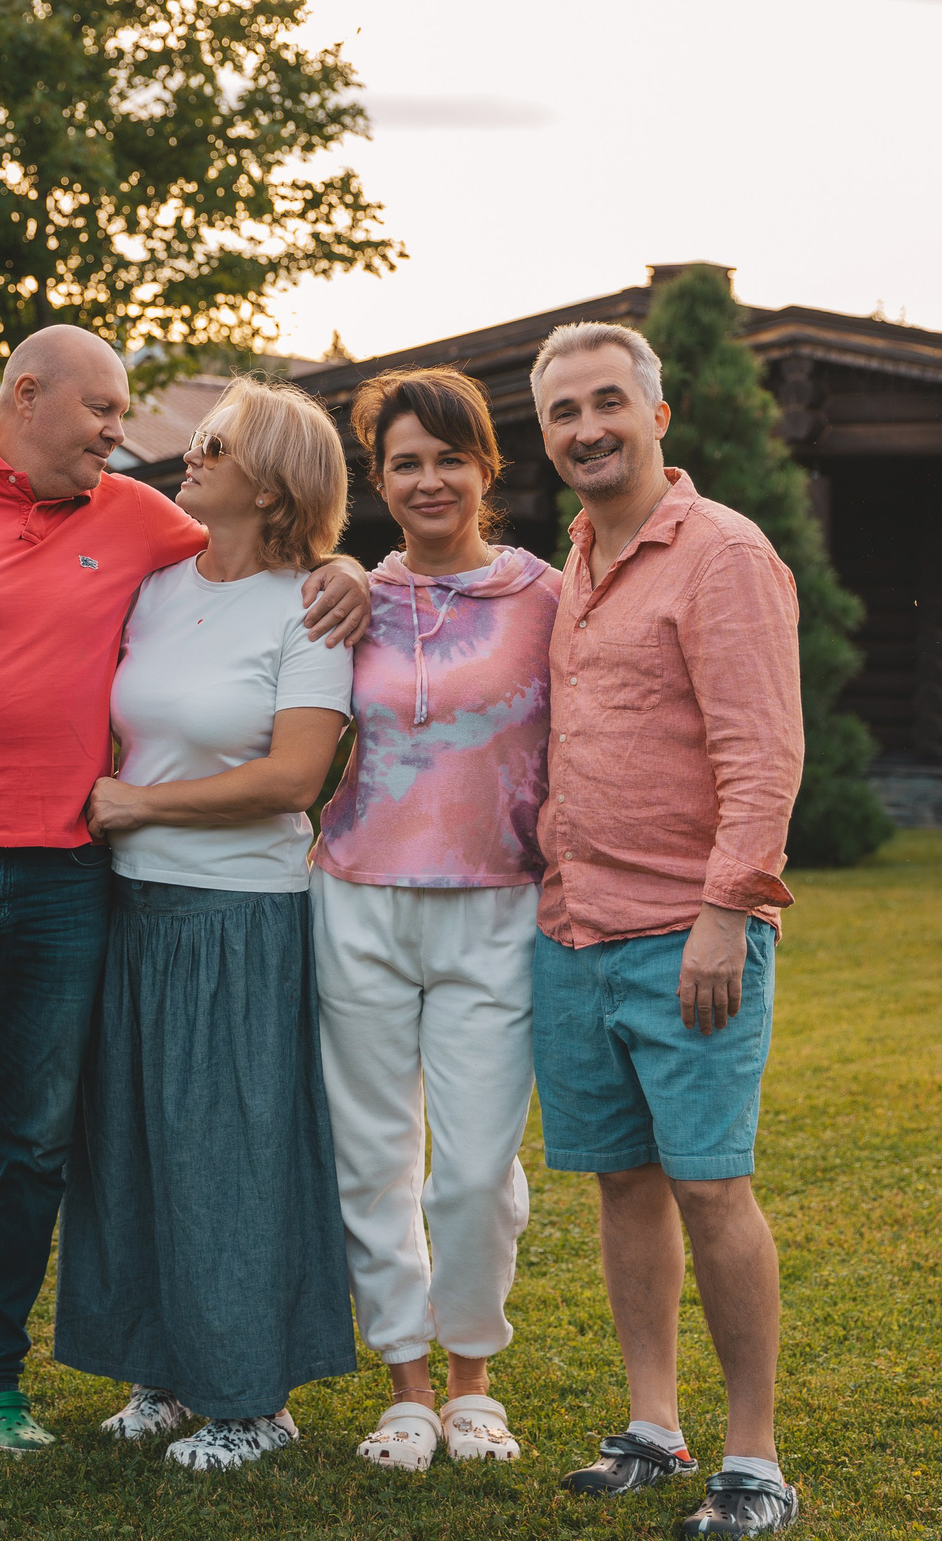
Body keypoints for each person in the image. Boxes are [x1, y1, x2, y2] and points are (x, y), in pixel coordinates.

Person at [0, 329, 368, 1493]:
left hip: (66, 881)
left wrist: (356, 573)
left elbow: (274, 549)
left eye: (130, 417)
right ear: (24, 396)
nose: (120, 434)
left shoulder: (141, 520)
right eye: (101, 411)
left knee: (36, 1148)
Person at [526, 322, 806, 1541]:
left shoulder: (722, 555)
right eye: (560, 413)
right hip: (575, 933)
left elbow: (764, 754)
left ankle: (755, 1463)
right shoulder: (574, 563)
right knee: (623, 1187)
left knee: (710, 1187)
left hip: (684, 937)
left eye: (603, 404)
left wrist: (723, 915)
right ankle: (651, 1427)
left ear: (655, 415)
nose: (584, 428)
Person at [52, 374, 359, 1472]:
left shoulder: (314, 607)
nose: (192, 453)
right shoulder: (157, 586)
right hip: (129, 904)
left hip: (238, 915)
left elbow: (292, 778)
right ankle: (163, 1375)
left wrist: (139, 803)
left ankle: (253, 1401)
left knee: (227, 1152)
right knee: (135, 1142)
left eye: (218, 444)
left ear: (274, 482)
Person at [310, 368, 559, 1473]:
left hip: (497, 906)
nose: (428, 481)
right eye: (404, 463)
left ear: (484, 470)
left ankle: (473, 1383)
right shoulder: (347, 597)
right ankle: (405, 1390)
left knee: (472, 1172)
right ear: (379, 480)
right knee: (371, 1157)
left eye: (448, 459)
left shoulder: (546, 595)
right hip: (357, 895)